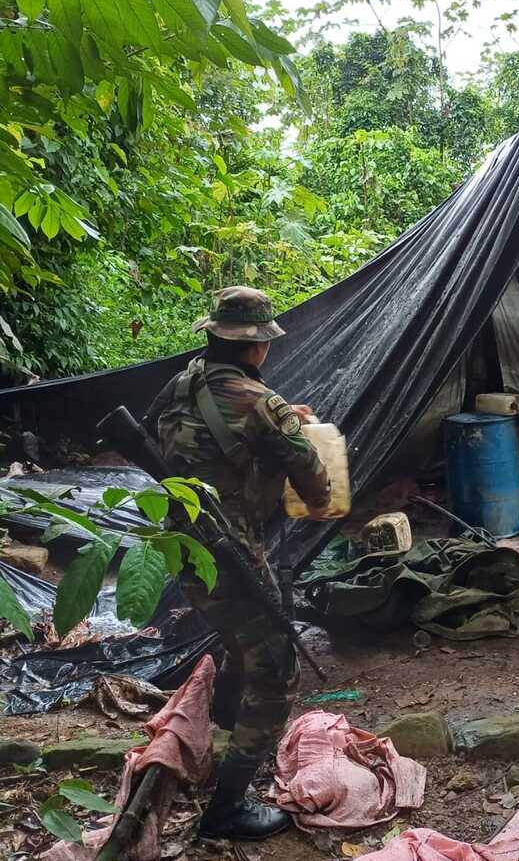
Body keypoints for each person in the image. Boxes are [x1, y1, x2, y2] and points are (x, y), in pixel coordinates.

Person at [143, 286, 331, 841]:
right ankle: (228, 807)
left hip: (182, 544)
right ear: (256, 348)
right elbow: (316, 489)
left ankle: (227, 730)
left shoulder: (181, 383)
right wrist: (290, 429)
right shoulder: (261, 405)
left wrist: (278, 422)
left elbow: (188, 439)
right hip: (231, 552)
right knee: (277, 671)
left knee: (241, 641)